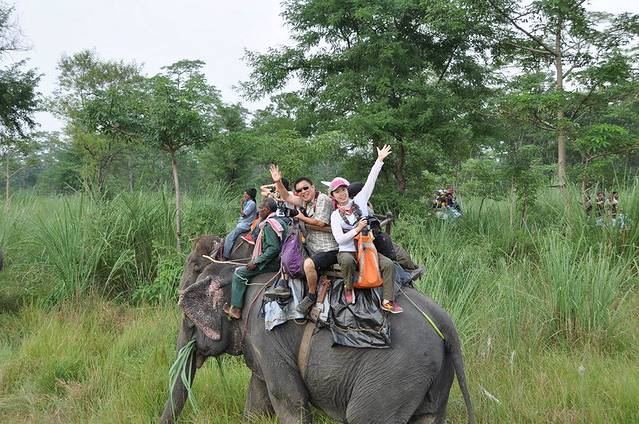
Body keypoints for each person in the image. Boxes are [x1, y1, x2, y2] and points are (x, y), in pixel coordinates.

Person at [329, 145, 402, 314]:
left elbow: (370, 181)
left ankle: (387, 300)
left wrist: (379, 160)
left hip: (367, 247)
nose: (341, 194)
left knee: (388, 264)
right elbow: (340, 239)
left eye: (343, 190)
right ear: (333, 196)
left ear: (347, 191)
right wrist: (358, 228)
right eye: (337, 192)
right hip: (348, 249)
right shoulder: (335, 215)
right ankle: (348, 288)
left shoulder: (360, 201)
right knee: (347, 261)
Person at [268, 165, 339, 315]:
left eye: (306, 188)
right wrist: (278, 182)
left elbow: (320, 222)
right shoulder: (305, 201)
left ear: (313, 187)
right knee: (287, 250)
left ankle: (311, 295)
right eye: (299, 190)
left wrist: (299, 216)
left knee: (308, 264)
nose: (303, 192)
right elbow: (286, 197)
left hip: (328, 248)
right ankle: (283, 283)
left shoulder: (323, 199)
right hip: (311, 246)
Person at [223, 198, 286, 320]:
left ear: (267, 210)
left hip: (273, 263)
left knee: (239, 273)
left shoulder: (269, 225)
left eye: (260, 208)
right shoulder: (280, 221)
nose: (259, 211)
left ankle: (236, 309)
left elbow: (273, 249)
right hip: (279, 259)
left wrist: (256, 261)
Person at [223, 188, 258, 259]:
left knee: (229, 237)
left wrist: (241, 205)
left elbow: (243, 214)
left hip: (245, 225)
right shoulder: (249, 202)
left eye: (245, 195)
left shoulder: (252, 203)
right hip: (243, 224)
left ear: (249, 196)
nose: (244, 196)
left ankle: (225, 256)